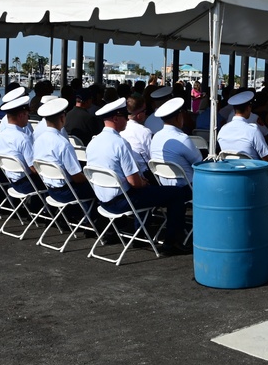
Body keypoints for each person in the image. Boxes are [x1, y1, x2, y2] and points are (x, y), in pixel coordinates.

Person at [85, 98, 189, 253]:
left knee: (152, 191)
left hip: (104, 200)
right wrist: (144, 183)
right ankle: (172, 242)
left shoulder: (93, 142)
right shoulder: (120, 143)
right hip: (123, 201)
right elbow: (134, 182)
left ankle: (138, 234)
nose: (127, 119)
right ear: (115, 118)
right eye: (124, 116)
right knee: (176, 194)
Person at [218, 90, 268, 216]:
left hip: (231, 175)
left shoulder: (222, 131)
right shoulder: (252, 130)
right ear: (248, 108)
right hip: (254, 176)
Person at [33, 97, 95, 203]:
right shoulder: (63, 144)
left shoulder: (38, 140)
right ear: (62, 118)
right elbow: (76, 177)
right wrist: (91, 179)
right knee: (99, 188)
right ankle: (91, 218)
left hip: (50, 190)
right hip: (67, 192)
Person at [150, 97, 203, 188]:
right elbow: (199, 163)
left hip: (164, 188)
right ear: (179, 117)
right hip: (188, 189)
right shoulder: (183, 139)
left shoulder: (155, 137)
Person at [0, 95, 42, 194]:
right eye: (27, 115)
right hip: (27, 183)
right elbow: (33, 168)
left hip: (12, 182)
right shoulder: (23, 138)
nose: (28, 118)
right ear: (21, 116)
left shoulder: (0, 136)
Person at [120, 95, 153, 173]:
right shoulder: (145, 132)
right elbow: (152, 157)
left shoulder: (120, 129)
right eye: (144, 111)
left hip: (125, 172)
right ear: (139, 115)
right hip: (144, 174)